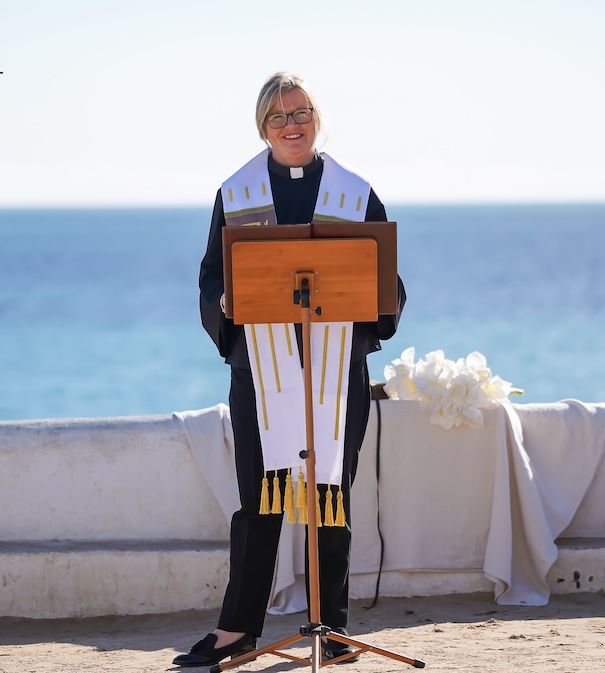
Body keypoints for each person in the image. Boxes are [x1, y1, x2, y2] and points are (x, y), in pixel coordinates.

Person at [173, 72, 406, 668]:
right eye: (278, 117)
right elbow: (210, 276)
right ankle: (238, 632)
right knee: (259, 499)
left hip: (334, 368)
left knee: (330, 493)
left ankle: (330, 630)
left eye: (301, 112)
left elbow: (387, 281)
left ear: (317, 117)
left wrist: (374, 304)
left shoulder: (355, 193)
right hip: (263, 369)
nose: (292, 124)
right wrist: (224, 300)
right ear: (263, 127)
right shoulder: (237, 192)